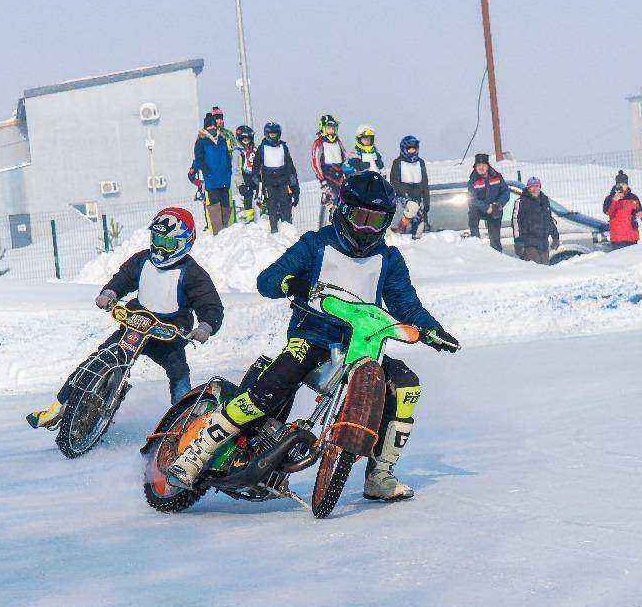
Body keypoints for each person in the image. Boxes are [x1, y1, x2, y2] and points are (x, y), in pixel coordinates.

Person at [165, 171, 460, 501]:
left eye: (375, 221)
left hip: (362, 346)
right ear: (343, 211)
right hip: (311, 336)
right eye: (360, 218)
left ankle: (380, 474)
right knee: (271, 387)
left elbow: (407, 305)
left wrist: (434, 331)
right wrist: (292, 283)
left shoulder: (388, 260)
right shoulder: (315, 244)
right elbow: (267, 281)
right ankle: (197, 452)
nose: (366, 229)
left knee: (406, 386)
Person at [27, 207, 224, 428]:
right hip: (135, 324)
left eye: (167, 243)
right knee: (99, 358)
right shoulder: (142, 259)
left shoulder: (193, 273)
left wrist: (205, 326)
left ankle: (184, 420)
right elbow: (124, 278)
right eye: (157, 240)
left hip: (168, 334)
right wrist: (110, 293)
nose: (160, 248)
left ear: (184, 243)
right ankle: (58, 407)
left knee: (179, 373)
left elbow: (210, 304)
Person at [189, 110, 235, 234]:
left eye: (213, 126)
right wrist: (206, 171)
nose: (212, 128)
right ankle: (217, 231)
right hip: (211, 179)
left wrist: (228, 170)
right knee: (214, 205)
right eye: (209, 126)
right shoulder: (201, 141)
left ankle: (226, 229)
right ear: (206, 128)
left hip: (224, 178)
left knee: (226, 204)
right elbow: (199, 159)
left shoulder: (222, 139)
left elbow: (227, 157)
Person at [254, 121, 300, 234]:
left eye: (275, 134)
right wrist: (256, 180)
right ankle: (273, 230)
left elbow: (290, 167)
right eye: (271, 134)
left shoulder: (283, 147)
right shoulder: (262, 148)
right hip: (268, 183)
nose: (273, 136)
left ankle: (287, 229)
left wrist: (295, 187)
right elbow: (256, 166)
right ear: (266, 134)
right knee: (272, 207)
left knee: (286, 205)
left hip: (283, 182)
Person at [466, 153, 511, 250]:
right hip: (479, 210)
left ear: (487, 166)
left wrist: (498, 204)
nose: (481, 167)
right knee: (473, 212)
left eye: (483, 165)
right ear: (475, 167)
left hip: (495, 209)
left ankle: (496, 252)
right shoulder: (472, 181)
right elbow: (472, 199)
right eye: (479, 165)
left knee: (495, 241)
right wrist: (486, 208)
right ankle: (476, 245)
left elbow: (506, 192)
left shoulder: (497, 177)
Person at [389, 135, 430, 236]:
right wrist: (405, 194)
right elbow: (394, 182)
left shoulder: (420, 162)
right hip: (402, 197)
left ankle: (416, 236)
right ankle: (399, 229)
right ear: (404, 149)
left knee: (420, 226)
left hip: (417, 195)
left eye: (414, 149)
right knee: (411, 208)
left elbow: (425, 183)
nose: (412, 151)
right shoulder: (398, 163)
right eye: (409, 149)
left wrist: (426, 200)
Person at [512, 176, 559, 264]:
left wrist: (555, 237)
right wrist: (518, 241)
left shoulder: (544, 201)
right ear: (528, 188)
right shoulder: (521, 202)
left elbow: (549, 220)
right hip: (528, 243)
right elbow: (516, 222)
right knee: (534, 267)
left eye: (537, 186)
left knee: (545, 267)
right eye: (532, 187)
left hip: (543, 243)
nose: (535, 189)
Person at [311, 114, 347, 225]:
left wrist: (346, 171)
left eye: (333, 128)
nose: (331, 130)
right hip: (327, 176)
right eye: (329, 128)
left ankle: (340, 224)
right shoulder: (319, 142)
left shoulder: (338, 142)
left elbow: (344, 157)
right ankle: (324, 225)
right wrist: (322, 179)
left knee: (343, 200)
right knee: (330, 200)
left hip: (339, 176)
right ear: (323, 128)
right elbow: (315, 162)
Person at [602, 170, 642, 248]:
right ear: (616, 185)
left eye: (623, 184)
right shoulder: (610, 198)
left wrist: (640, 214)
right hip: (618, 237)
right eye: (619, 184)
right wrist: (614, 200)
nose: (621, 186)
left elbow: (640, 212)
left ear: (627, 185)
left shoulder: (633, 198)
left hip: (632, 236)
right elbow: (607, 212)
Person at [232, 125, 258, 223]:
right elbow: (236, 170)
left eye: (248, 139)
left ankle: (261, 218)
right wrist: (240, 184)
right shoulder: (237, 152)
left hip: (255, 177)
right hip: (244, 178)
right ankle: (249, 220)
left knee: (258, 198)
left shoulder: (255, 150)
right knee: (247, 198)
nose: (246, 141)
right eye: (244, 139)